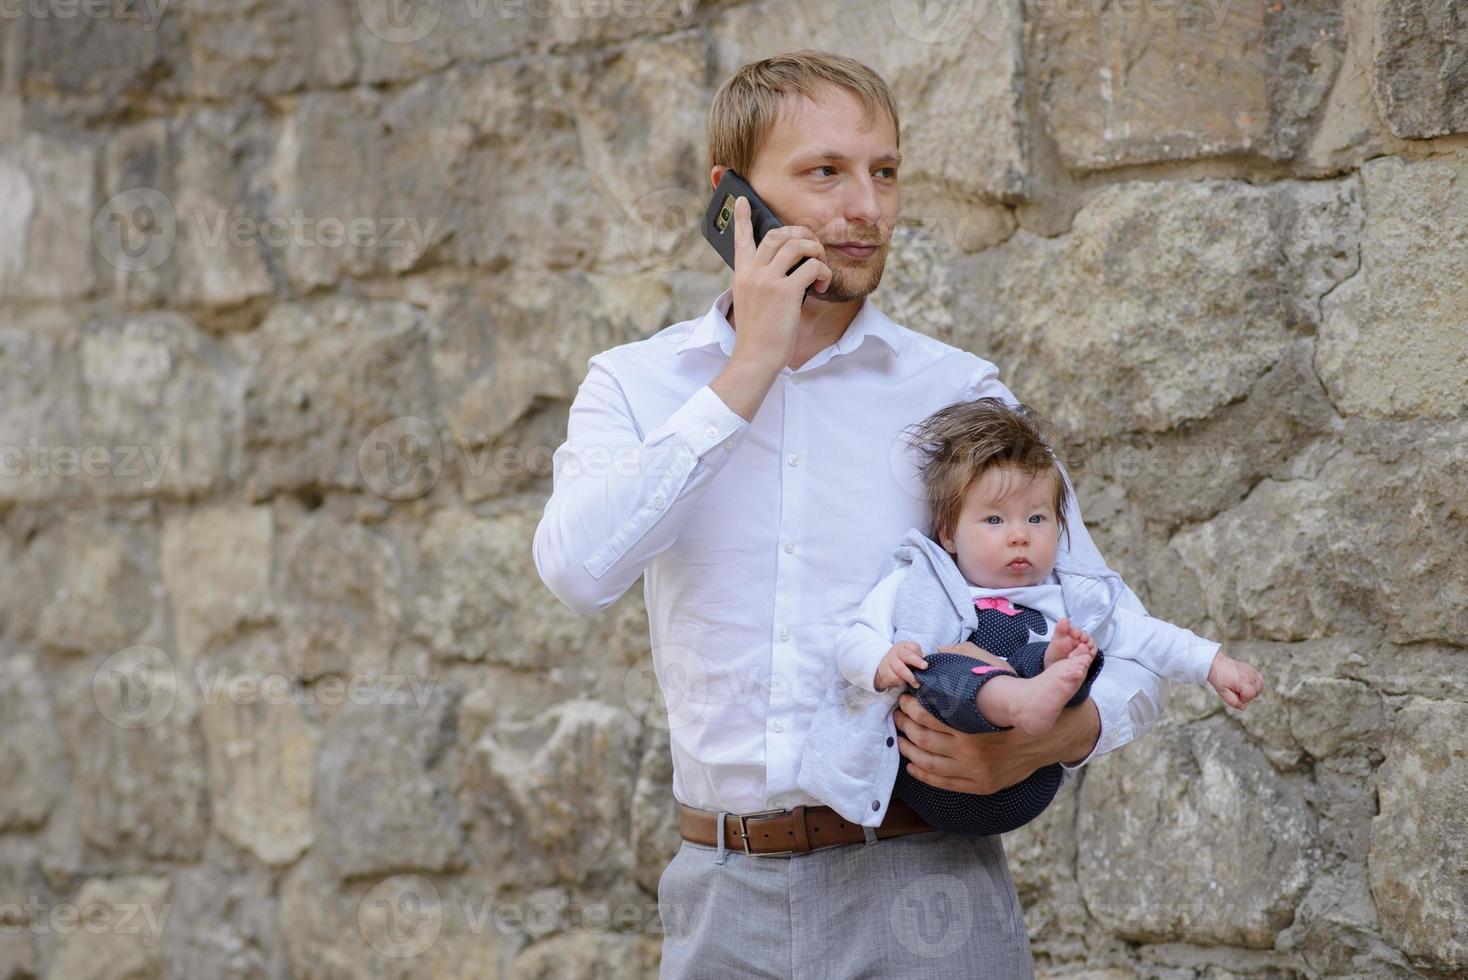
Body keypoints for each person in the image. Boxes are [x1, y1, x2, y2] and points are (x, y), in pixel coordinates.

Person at [533, 50, 1180, 977]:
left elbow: (1120, 629)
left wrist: (1063, 736)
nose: (865, 209)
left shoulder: (955, 393)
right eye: (824, 173)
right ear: (733, 201)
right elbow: (577, 572)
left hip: (928, 890)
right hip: (723, 897)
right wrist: (748, 367)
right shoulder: (637, 386)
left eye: (884, 173)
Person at [799, 397, 1264, 838]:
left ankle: (1042, 677)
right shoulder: (920, 582)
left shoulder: (1072, 598)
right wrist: (882, 661)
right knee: (941, 665)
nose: (1019, 536)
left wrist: (1214, 664)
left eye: (1037, 519)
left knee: (1075, 651)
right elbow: (855, 639)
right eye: (995, 521)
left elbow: (1148, 636)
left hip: (1023, 784)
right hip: (928, 775)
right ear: (949, 534)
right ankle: (1020, 694)